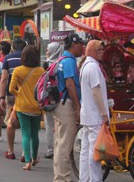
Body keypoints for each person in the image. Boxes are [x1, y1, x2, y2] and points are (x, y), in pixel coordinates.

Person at [53, 32, 84, 182]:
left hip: (60, 103)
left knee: (59, 142)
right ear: (74, 45)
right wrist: (78, 108)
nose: (82, 47)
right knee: (65, 144)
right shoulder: (70, 61)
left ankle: (59, 176)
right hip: (67, 104)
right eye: (81, 44)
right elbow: (70, 84)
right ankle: (63, 178)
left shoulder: (61, 59)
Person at [9, 45, 45, 170]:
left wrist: (20, 94)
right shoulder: (41, 71)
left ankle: (28, 161)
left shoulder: (18, 70)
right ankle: (35, 158)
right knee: (35, 133)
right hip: (36, 105)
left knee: (25, 133)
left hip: (22, 106)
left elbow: (11, 88)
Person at [79, 40, 108, 182]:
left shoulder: (86, 66)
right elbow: (96, 92)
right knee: (94, 152)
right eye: (99, 50)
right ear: (93, 51)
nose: (102, 53)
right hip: (95, 116)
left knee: (85, 151)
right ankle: (95, 179)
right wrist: (104, 113)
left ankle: (84, 179)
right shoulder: (93, 68)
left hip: (87, 115)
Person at [0, 38, 26, 160]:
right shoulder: (30, 57)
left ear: (13, 48)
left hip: (11, 94)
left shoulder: (8, 58)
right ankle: (26, 153)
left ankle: (10, 150)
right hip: (27, 95)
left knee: (11, 122)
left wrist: (1, 96)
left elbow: (4, 78)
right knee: (26, 123)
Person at [43, 42, 63, 159]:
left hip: (48, 98)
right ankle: (59, 147)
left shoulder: (46, 64)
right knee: (59, 124)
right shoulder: (62, 63)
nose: (46, 52)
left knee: (49, 124)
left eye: (47, 50)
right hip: (60, 98)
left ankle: (50, 149)